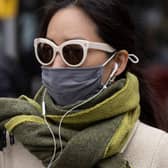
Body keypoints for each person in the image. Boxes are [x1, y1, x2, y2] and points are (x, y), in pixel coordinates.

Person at [0, 0, 168, 168]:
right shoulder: (11, 142)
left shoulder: (157, 150)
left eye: (73, 52)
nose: (56, 65)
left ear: (118, 61)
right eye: (47, 50)